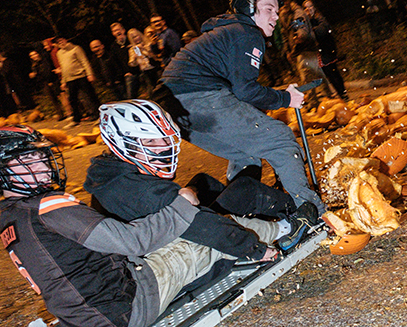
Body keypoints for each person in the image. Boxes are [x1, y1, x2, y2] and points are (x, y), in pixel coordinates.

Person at [0, 124, 279, 327]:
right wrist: (181, 205)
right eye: (26, 159)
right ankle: (283, 229)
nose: (42, 165)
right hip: (125, 309)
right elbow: (133, 241)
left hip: (83, 317)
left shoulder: (9, 216)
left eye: (38, 157)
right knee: (197, 235)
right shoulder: (47, 206)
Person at [159, 0, 326, 230]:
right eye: (268, 9)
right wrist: (285, 98)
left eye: (277, 11)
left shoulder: (229, 32)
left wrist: (280, 94)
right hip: (198, 96)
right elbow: (246, 91)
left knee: (246, 154)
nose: (275, 16)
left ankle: (239, 217)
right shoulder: (246, 33)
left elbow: (241, 91)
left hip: (173, 107)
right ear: (249, 7)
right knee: (279, 139)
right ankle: (311, 213)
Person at [84, 99, 318, 253]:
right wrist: (254, 249)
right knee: (244, 190)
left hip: (156, 235)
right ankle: (292, 220)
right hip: (169, 251)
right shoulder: (137, 189)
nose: (164, 147)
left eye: (165, 139)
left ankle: (277, 213)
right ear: (123, 143)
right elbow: (203, 227)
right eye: (152, 141)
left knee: (203, 182)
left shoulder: (112, 173)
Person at [302, 0, 348, 101]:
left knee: (333, 73)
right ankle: (338, 94)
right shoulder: (307, 21)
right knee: (328, 75)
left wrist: (312, 32)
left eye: (310, 6)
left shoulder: (319, 17)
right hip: (320, 52)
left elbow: (323, 30)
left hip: (327, 49)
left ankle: (342, 93)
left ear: (314, 7)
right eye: (306, 7)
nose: (308, 9)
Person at [54, 36, 101, 127]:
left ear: (65, 39)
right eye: (58, 42)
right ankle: (76, 119)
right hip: (70, 79)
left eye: (61, 40)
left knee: (91, 96)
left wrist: (89, 74)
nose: (61, 43)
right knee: (73, 100)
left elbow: (84, 61)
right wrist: (63, 81)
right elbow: (63, 67)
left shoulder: (75, 48)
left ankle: (100, 115)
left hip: (81, 76)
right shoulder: (59, 53)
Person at [28, 50, 66, 120]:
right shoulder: (34, 65)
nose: (34, 56)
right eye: (31, 55)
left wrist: (50, 81)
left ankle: (68, 112)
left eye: (34, 54)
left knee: (61, 96)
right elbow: (38, 74)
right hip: (44, 83)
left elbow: (48, 70)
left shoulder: (44, 61)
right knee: (53, 99)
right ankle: (60, 114)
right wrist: (34, 75)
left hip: (52, 80)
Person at [109, 22, 140, 99]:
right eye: (115, 31)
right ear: (113, 33)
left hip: (141, 69)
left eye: (119, 29)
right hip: (129, 74)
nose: (117, 32)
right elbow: (116, 63)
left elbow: (140, 53)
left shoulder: (132, 40)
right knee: (131, 98)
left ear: (123, 30)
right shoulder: (114, 47)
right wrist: (124, 73)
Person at [127, 28, 161, 98]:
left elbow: (154, 54)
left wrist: (144, 49)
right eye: (133, 37)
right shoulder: (133, 49)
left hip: (155, 68)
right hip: (146, 71)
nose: (136, 38)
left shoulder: (148, 43)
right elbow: (132, 64)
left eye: (136, 36)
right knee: (152, 90)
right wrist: (134, 58)